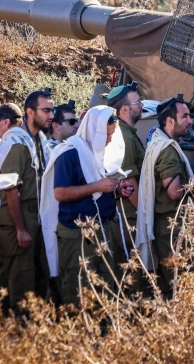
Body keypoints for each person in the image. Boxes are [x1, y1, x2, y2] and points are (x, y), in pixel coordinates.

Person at [40, 105, 134, 306]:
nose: (109, 140)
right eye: (106, 135)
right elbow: (60, 193)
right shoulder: (69, 153)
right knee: (80, 294)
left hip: (103, 230)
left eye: (111, 135)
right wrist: (96, 186)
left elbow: (101, 189)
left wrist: (117, 190)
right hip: (77, 235)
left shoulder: (100, 153)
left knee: (106, 291)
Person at [0, 88, 54, 311]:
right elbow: (10, 189)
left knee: (37, 279)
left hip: (36, 216)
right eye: (46, 110)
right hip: (17, 218)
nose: (51, 115)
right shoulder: (16, 141)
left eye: (52, 110)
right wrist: (20, 229)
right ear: (30, 111)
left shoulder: (39, 140)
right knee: (20, 281)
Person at [136, 94, 194, 298]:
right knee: (180, 286)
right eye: (185, 116)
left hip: (168, 227)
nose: (190, 121)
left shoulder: (159, 143)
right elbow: (174, 191)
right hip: (174, 228)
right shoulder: (167, 151)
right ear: (170, 121)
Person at [107, 82, 145, 277]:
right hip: (130, 215)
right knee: (133, 272)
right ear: (124, 109)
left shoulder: (127, 133)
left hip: (130, 213)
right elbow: (130, 180)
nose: (142, 106)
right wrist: (144, 215)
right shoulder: (125, 137)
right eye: (137, 102)